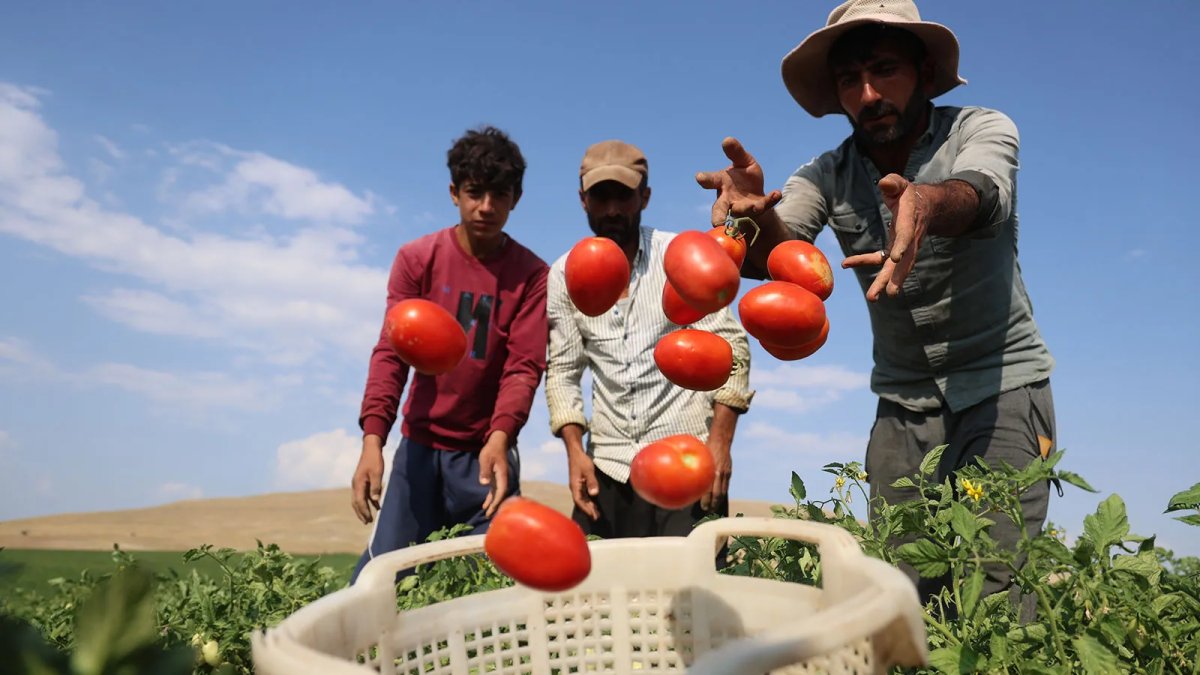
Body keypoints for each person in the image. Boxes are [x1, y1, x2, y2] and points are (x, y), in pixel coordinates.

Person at [696, 0, 1056, 603]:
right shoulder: (827, 174)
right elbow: (779, 260)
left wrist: (925, 205)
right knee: (898, 589)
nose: (867, 94)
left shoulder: (981, 128)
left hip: (1003, 388)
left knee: (998, 587)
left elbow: (981, 194)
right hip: (902, 401)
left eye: (884, 70)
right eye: (848, 80)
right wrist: (750, 224)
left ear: (924, 71)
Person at [349, 126, 549, 583]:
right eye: (474, 193)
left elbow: (524, 365)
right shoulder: (418, 259)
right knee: (382, 581)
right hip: (419, 449)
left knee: (495, 584)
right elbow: (390, 353)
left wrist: (501, 437)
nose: (486, 207)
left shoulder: (531, 275)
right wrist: (373, 441)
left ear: (516, 198)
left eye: (499, 194)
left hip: (485, 454)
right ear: (454, 193)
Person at [545, 139, 755, 540]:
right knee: (600, 596)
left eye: (623, 196)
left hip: (685, 463)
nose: (611, 210)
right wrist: (575, 453)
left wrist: (720, 445)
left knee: (692, 594)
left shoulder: (679, 255)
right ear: (582, 200)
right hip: (607, 467)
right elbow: (563, 371)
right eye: (600, 196)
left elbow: (731, 348)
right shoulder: (562, 275)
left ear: (644, 196)